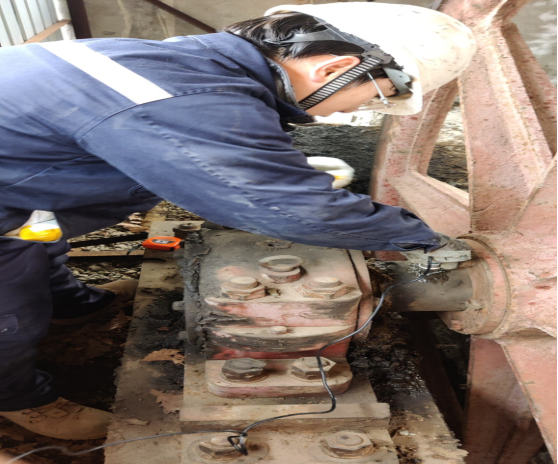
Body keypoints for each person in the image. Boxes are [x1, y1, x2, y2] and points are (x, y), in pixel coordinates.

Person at [0, 2, 476, 440]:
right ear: (333, 69)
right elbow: (282, 206)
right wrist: (424, 239)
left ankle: (72, 304)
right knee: (10, 310)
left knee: (38, 240)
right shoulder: (184, 97)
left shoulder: (184, 64)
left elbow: (203, 144)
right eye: (375, 97)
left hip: (22, 190)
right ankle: (19, 398)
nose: (357, 110)